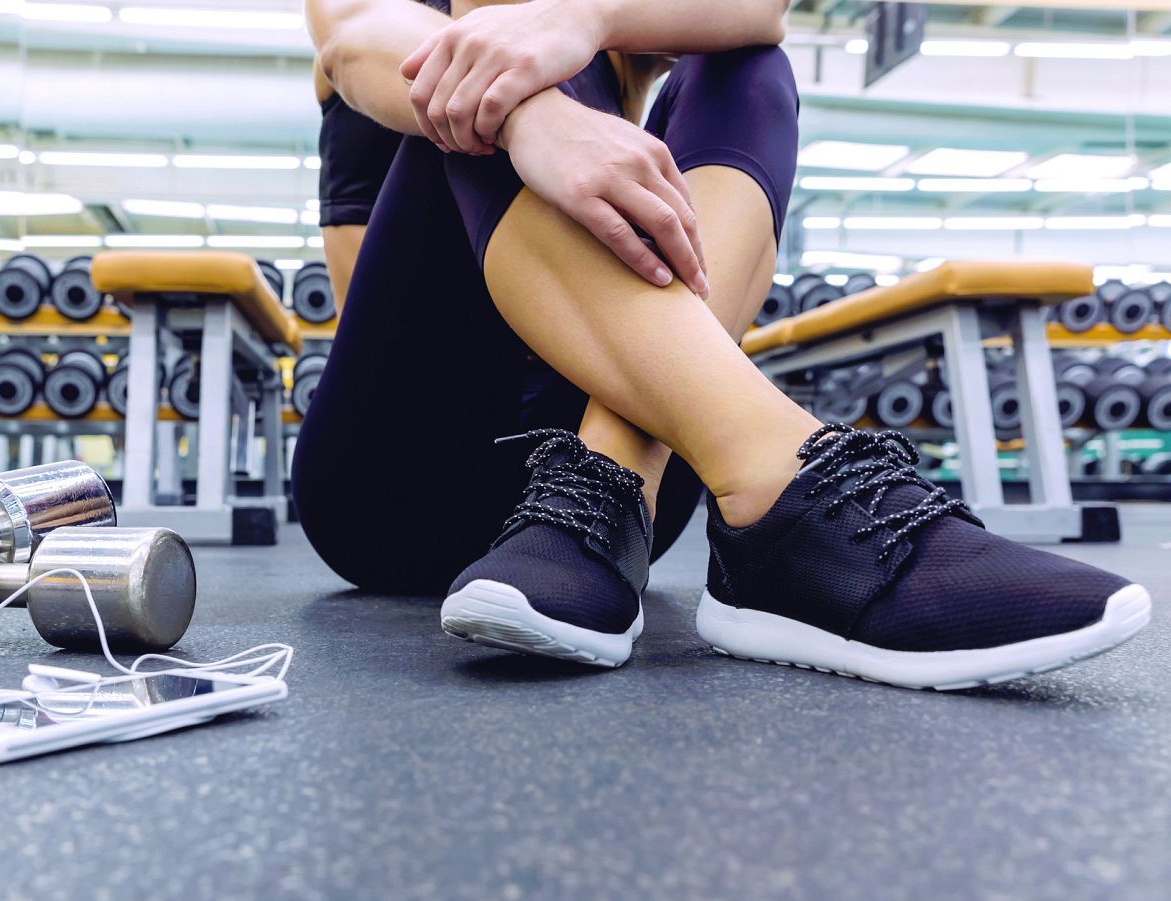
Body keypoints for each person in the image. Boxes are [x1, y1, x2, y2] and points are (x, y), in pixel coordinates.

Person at [291, 0, 1151, 689]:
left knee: (743, 59)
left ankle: (599, 489)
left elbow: (760, 12)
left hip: (627, 515)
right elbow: (358, 40)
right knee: (474, 70)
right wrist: (532, 119)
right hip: (390, 483)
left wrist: (586, 18)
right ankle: (782, 485)